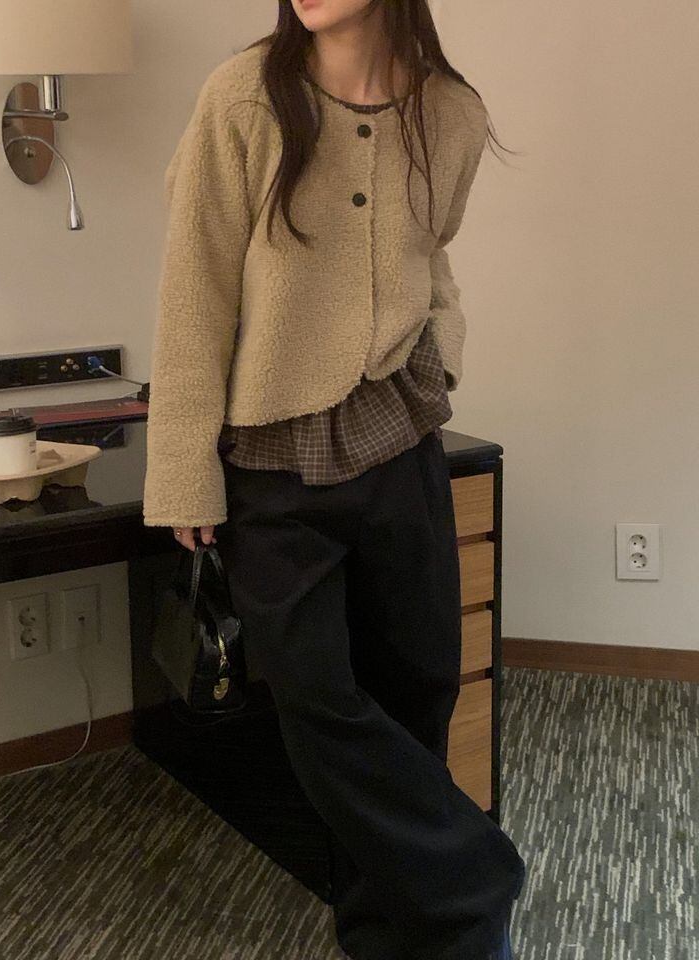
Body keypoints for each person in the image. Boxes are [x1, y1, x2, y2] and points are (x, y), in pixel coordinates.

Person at [142, 1, 526, 957]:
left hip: (399, 441)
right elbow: (194, 289)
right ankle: (473, 880)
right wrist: (183, 470)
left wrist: (442, 351)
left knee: (418, 687)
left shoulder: (453, 113)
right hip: (273, 459)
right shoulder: (244, 97)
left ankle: (387, 936)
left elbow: (432, 260)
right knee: (319, 703)